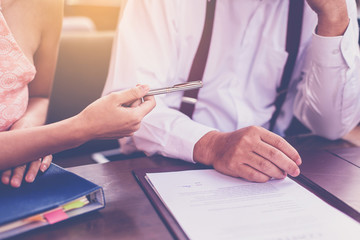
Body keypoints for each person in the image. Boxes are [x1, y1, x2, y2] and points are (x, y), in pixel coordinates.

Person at [103, 0, 360, 182]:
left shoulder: (332, 8)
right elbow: (128, 108)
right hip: (160, 167)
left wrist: (334, 18)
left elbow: (331, 126)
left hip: (266, 178)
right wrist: (213, 145)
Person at [0, 0, 156, 188]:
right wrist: (83, 127)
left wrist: (26, 138)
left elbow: (39, 96)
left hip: (20, 180)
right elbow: (81, 127)